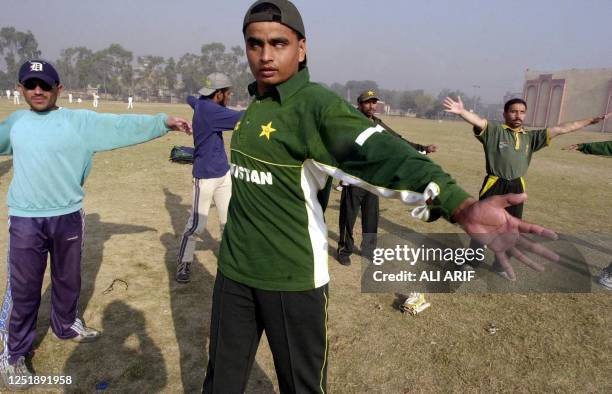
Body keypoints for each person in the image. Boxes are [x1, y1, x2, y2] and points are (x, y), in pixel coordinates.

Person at [202, 1, 558, 392]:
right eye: (254, 44)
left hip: (291, 280)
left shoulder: (316, 107)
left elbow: (384, 153)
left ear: (301, 49)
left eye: (278, 43)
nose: (266, 55)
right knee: (219, 382)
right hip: (233, 274)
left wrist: (459, 203)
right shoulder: (257, 102)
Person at [0, 59, 191, 390]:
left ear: (58, 89)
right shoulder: (15, 123)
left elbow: (119, 126)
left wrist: (163, 122)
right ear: (20, 89)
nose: (38, 91)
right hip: (26, 219)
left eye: (45, 85)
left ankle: (65, 325)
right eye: (30, 85)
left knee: (68, 278)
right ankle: (14, 354)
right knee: (24, 288)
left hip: (68, 215)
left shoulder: (79, 121)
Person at [443, 96, 610, 275]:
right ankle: (471, 263)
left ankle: (500, 267)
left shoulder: (532, 137)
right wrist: (461, 112)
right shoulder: (495, 132)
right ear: (505, 113)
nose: (518, 115)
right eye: (514, 111)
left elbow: (562, 128)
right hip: (494, 184)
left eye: (522, 112)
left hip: (517, 186)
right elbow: (479, 121)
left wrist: (591, 121)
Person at [337, 89, 437, 265]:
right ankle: (344, 250)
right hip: (354, 179)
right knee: (348, 218)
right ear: (359, 105)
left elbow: (398, 141)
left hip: (374, 180)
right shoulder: (350, 122)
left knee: (371, 218)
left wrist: (423, 148)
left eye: (374, 102)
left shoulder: (378, 124)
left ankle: (369, 250)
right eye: (368, 102)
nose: (372, 106)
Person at [175, 73, 243, 283]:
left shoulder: (202, 103)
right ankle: (184, 263)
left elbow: (191, 99)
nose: (229, 97)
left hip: (223, 174)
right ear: (218, 94)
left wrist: (190, 99)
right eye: (228, 94)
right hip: (205, 177)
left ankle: (229, 258)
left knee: (228, 221)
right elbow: (243, 118)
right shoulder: (212, 111)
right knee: (196, 225)